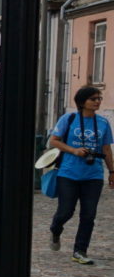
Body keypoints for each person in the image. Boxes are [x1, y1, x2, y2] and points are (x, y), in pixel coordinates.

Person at [48, 85, 114, 265]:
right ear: (82, 101)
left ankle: (80, 250)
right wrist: (73, 150)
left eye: (99, 98)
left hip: (93, 175)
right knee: (66, 211)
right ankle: (56, 228)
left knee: (89, 215)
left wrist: (112, 171)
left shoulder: (103, 123)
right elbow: (53, 141)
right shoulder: (68, 119)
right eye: (93, 99)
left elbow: (107, 148)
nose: (97, 102)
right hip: (68, 173)